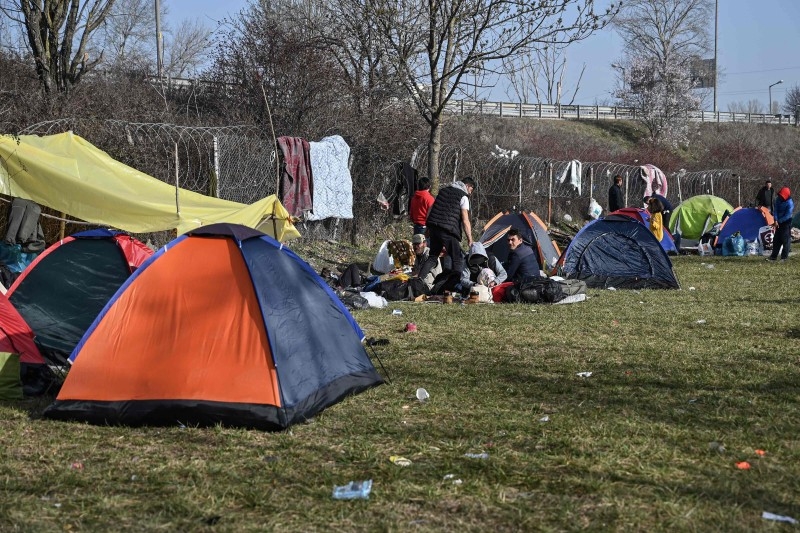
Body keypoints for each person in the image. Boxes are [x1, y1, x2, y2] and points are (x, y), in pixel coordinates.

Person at [417, 176, 475, 281]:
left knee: (432, 257)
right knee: (457, 259)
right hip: (448, 231)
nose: (470, 193)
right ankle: (456, 285)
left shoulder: (443, 191)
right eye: (471, 189)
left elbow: (430, 210)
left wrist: (428, 230)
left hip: (434, 227)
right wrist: (470, 239)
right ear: (467, 186)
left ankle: (417, 280)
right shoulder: (463, 197)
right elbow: (465, 220)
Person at [769, 186, 794, 261]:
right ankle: (773, 257)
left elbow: (788, 215)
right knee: (776, 239)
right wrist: (775, 220)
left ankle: (784, 257)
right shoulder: (778, 199)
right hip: (777, 222)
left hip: (786, 222)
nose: (781, 197)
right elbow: (775, 210)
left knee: (785, 240)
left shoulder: (790, 203)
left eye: (782, 196)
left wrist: (779, 221)